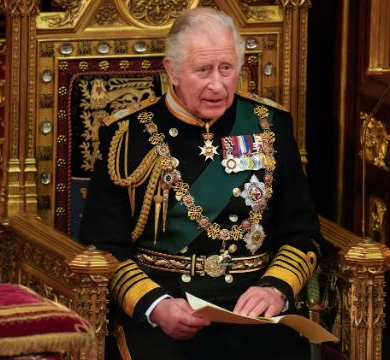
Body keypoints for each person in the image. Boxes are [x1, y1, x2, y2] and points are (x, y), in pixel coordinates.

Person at [79, 7, 322, 360]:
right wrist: (155, 305)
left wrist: (276, 288)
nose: (218, 85)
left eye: (227, 69)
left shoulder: (270, 125)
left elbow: (301, 231)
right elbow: (101, 246)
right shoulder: (127, 135)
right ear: (172, 70)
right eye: (203, 70)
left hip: (253, 310)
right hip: (167, 309)